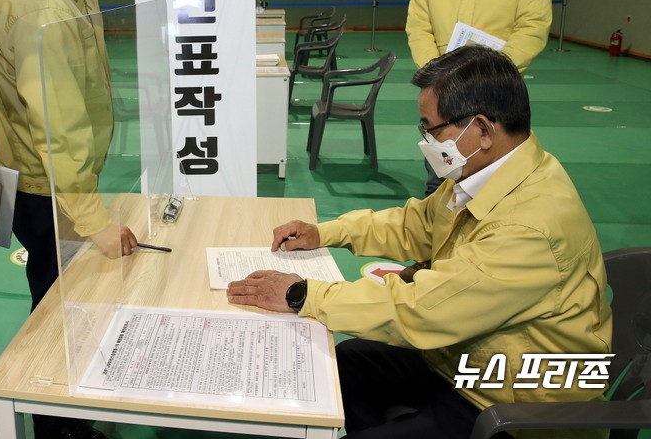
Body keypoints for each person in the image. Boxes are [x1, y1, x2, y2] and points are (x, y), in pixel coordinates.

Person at [227, 46, 611, 439]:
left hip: (513, 406)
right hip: (459, 361)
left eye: (431, 127)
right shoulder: (487, 173)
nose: (426, 139)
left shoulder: (532, 225)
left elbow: (421, 310)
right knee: (338, 365)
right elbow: (418, 224)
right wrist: (328, 232)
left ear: (481, 129)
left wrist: (301, 294)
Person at [0, 0, 139, 438]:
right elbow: (58, 124)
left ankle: (70, 418)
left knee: (70, 313)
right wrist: (90, 219)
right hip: (50, 195)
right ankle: (56, 427)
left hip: (68, 186)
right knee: (57, 321)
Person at [407, 0, 553, 195]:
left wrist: (488, 78)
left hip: (497, 93)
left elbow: (533, 27)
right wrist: (437, 75)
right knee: (441, 177)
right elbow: (419, 28)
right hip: (444, 94)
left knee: (497, 175)